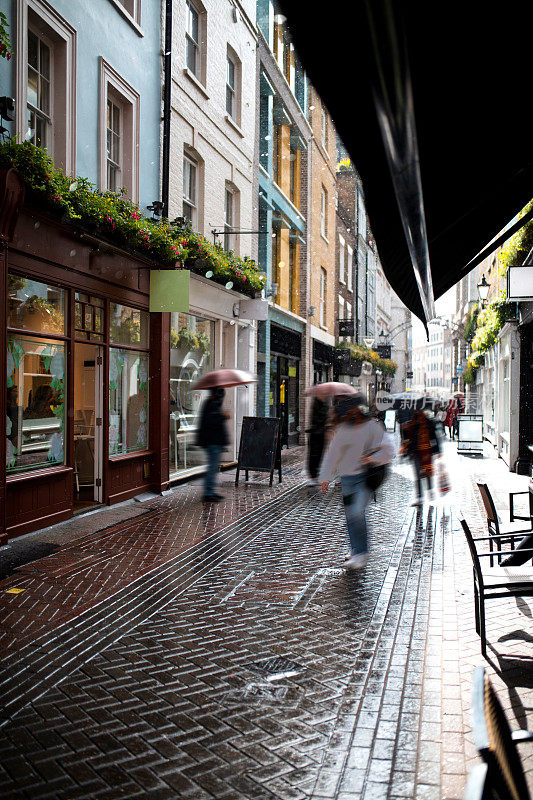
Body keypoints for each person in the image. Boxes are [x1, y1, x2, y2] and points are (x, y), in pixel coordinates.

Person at [319, 395, 394, 569]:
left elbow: (389, 450)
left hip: (364, 478)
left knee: (357, 513)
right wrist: (325, 477)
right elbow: (333, 455)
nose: (348, 414)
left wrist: (371, 459)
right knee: (350, 516)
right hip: (346, 479)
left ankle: (361, 551)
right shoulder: (343, 429)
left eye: (351, 410)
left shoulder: (373, 427)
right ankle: (356, 549)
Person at [195, 387, 229, 502]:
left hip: (213, 441)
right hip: (212, 441)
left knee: (213, 467)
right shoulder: (212, 404)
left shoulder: (210, 403)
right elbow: (212, 422)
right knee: (212, 467)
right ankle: (208, 493)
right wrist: (223, 417)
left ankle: (211, 491)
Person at [400, 409, 441, 505]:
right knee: (418, 474)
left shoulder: (428, 422)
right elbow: (409, 439)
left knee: (427, 472)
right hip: (416, 452)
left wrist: (438, 450)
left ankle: (430, 490)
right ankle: (419, 497)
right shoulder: (412, 422)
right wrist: (405, 429)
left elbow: (434, 436)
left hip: (427, 451)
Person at [306, 397, 329, 485]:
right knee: (314, 454)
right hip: (316, 433)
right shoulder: (316, 404)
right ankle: (313, 476)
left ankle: (316, 475)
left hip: (321, 433)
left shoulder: (325, 403)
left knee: (320, 454)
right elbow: (315, 419)